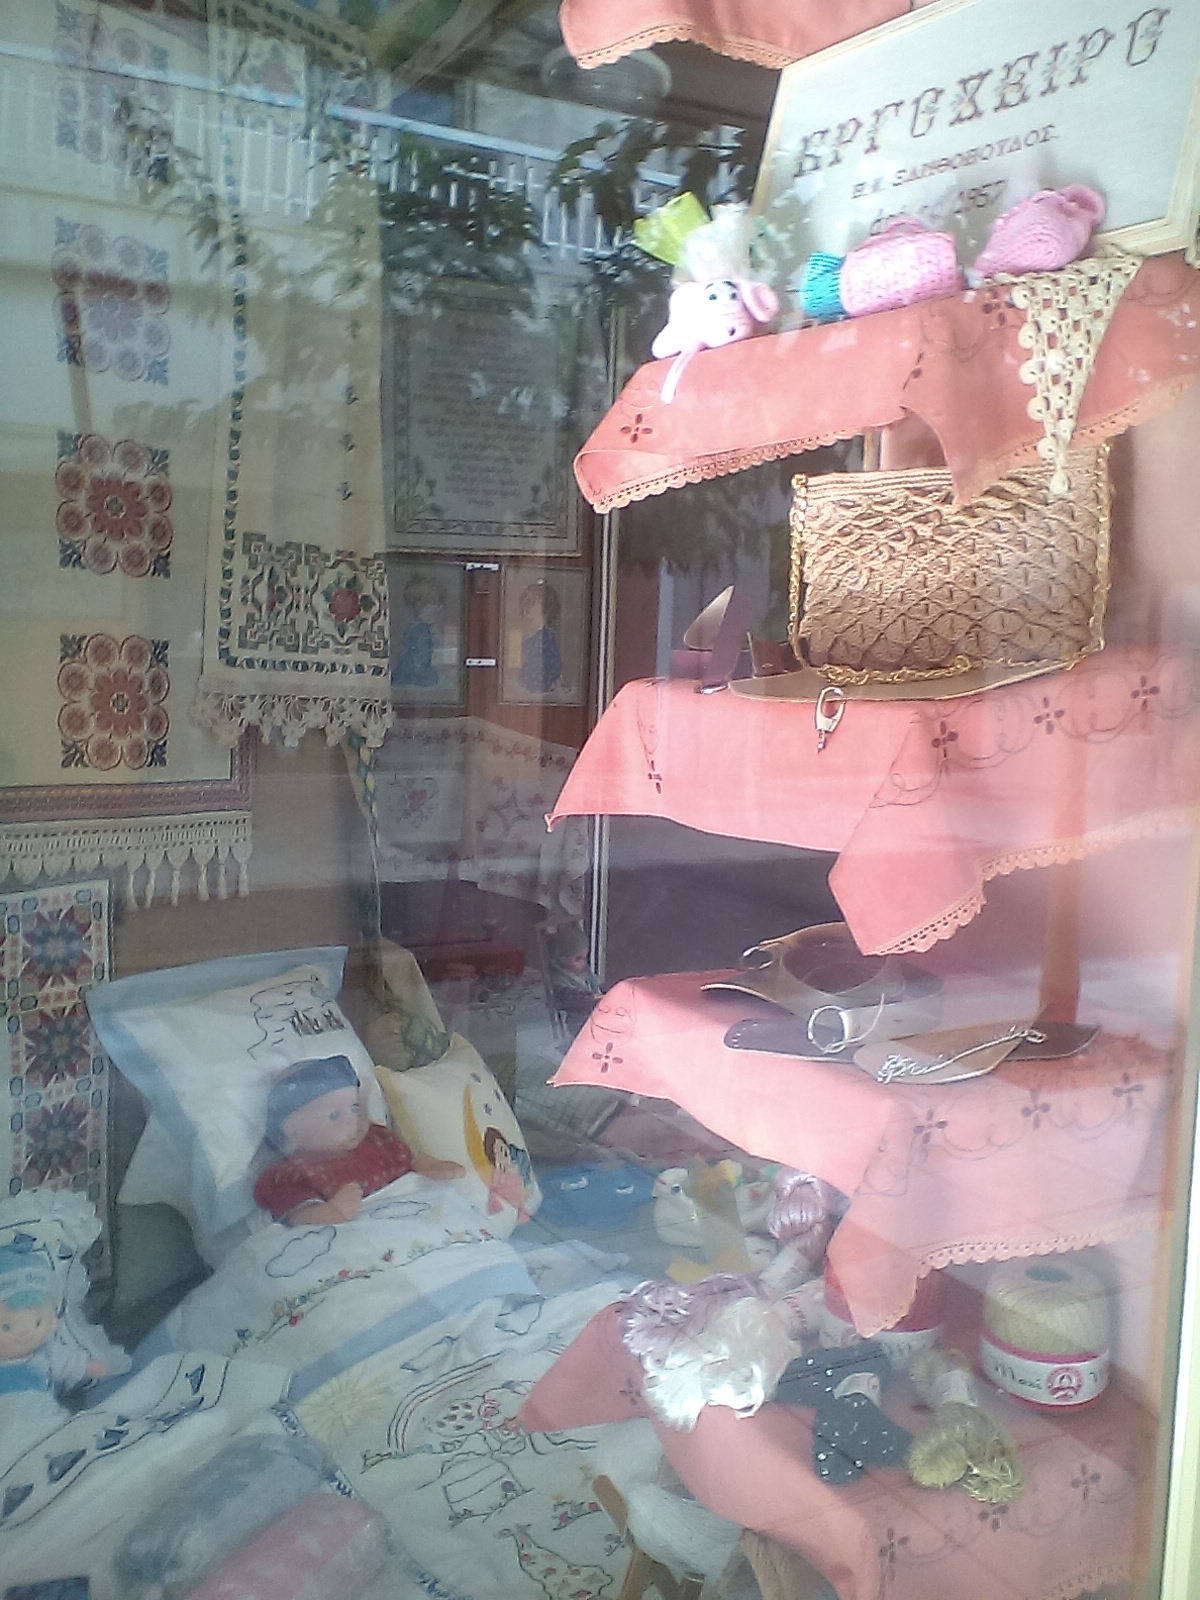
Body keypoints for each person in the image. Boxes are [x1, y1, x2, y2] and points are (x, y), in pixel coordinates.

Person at [254, 1055, 463, 1225]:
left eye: (354, 1108)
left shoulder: (378, 1140)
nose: (353, 1121)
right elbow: (299, 1216)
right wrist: (331, 1211)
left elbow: (408, 1158)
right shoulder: (296, 1173)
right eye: (335, 1116)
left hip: (410, 1215)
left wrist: (428, 1165)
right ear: (294, 1132)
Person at [0, 1241, 103, 1398]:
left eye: (37, 1323)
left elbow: (71, 1363)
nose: (24, 1333)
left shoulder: (47, 1354)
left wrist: (95, 1368)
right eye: (6, 1327)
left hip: (41, 1409)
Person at [393, 572, 446, 691]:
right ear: (419, 606)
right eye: (434, 603)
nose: (439, 608)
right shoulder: (419, 631)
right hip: (415, 678)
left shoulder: (424, 629)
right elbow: (417, 662)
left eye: (440, 603)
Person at [516, 578, 563, 696]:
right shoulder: (522, 638)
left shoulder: (547, 639)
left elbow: (551, 669)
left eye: (531, 605)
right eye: (524, 606)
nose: (526, 612)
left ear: (546, 611)